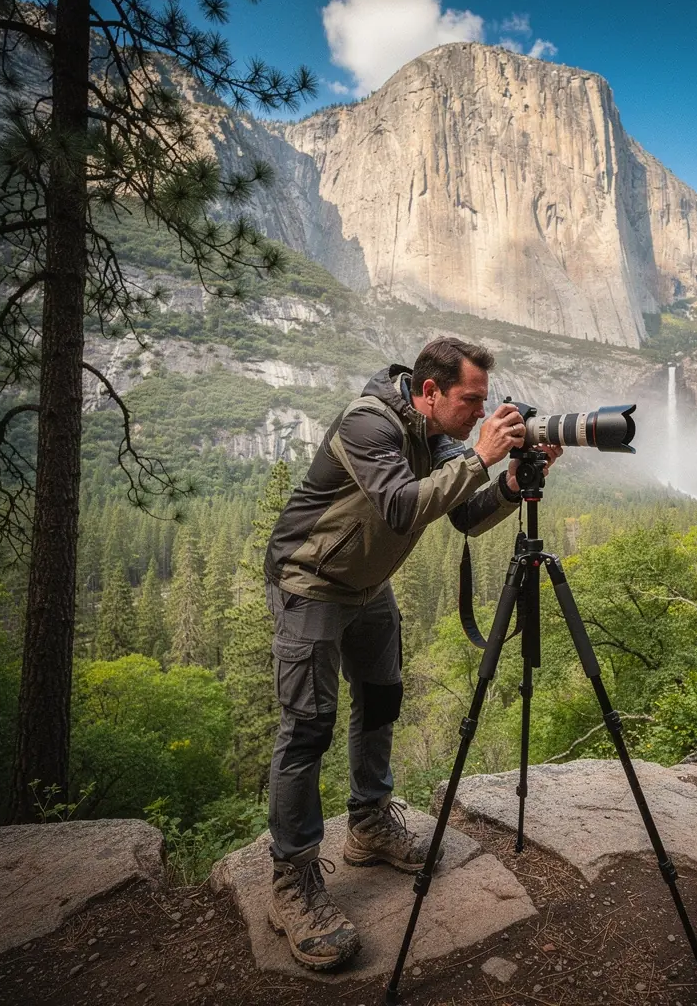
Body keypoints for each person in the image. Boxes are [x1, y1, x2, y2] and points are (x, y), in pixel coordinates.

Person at [262, 336, 561, 971]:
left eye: (483, 403)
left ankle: (368, 826)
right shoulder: (368, 421)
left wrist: (509, 481)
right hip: (310, 583)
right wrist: (481, 456)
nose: (479, 414)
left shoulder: (436, 433)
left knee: (380, 703)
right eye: (470, 401)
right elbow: (400, 508)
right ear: (430, 392)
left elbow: (466, 516)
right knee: (308, 728)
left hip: (367, 586)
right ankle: (291, 883)